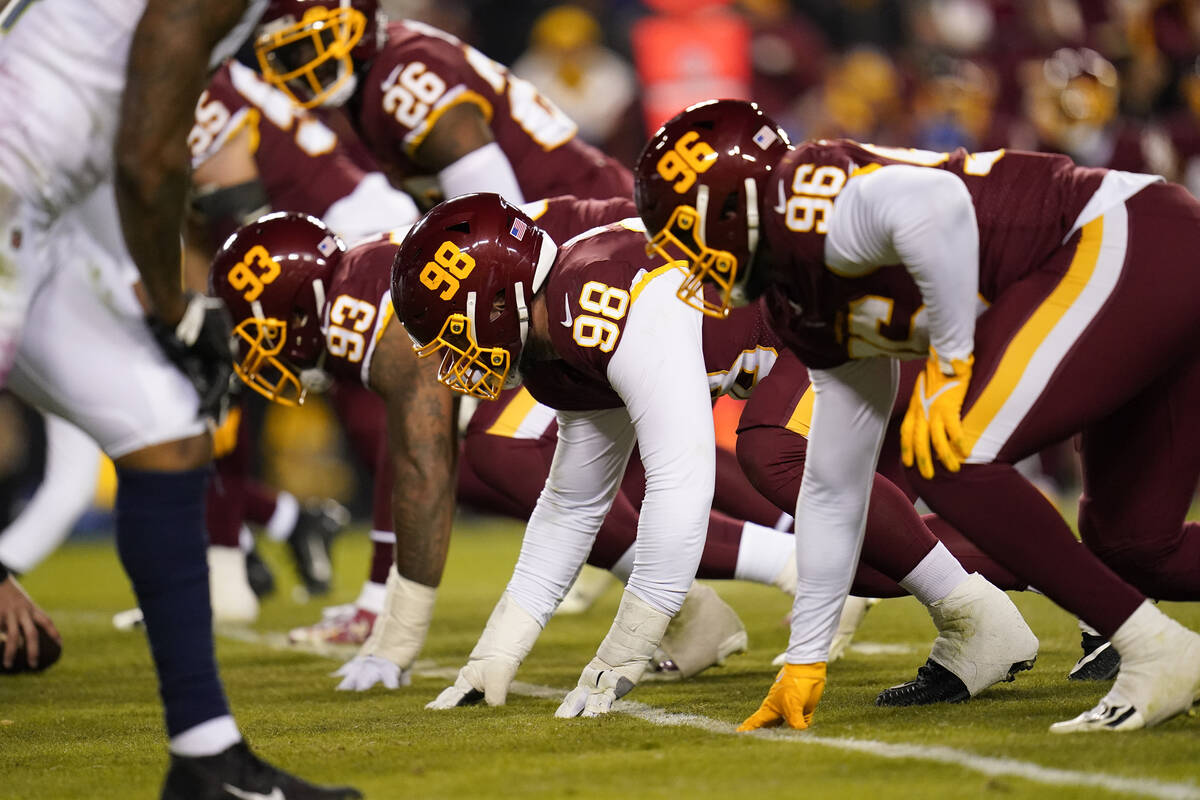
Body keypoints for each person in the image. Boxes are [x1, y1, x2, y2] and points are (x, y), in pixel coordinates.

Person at [632, 98, 1200, 733]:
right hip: (1139, 252)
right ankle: (1152, 638)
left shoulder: (803, 196)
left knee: (949, 451)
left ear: (729, 205)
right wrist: (804, 660)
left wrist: (951, 365)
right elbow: (831, 486)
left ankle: (1155, 649)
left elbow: (937, 208)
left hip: (1122, 234)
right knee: (1136, 547)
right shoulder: (798, 302)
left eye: (686, 233)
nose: (688, 260)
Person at [390, 193, 1037, 718]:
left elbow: (680, 480)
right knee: (861, 566)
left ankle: (1051, 591)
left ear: (496, 299)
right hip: (810, 345)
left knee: (773, 450)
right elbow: (571, 506)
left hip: (849, 309)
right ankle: (1015, 603)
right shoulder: (553, 350)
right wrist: (497, 651)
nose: (450, 358)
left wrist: (626, 649)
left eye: (449, 331)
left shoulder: (597, 301)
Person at [210, 198, 818, 689]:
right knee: (538, 469)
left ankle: (798, 561)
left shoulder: (363, 316)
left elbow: (421, 471)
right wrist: (461, 636)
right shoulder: (376, 288)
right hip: (567, 302)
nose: (253, 348)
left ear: (294, 304)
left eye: (254, 325)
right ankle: (717, 600)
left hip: (621, 291)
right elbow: (430, 475)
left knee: (511, 450)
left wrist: (396, 636)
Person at [0, 1, 360, 796]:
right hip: (8, 193)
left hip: (43, 206)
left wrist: (143, 293)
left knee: (164, 421)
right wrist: (172, 304)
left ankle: (205, 758)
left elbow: (105, 135)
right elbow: (147, 157)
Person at [251, 0, 632, 207]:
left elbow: (495, 211)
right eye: (291, 56)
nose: (304, 67)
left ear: (356, 25)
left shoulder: (404, 76)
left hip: (585, 214)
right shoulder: (378, 73)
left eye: (311, 47)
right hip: (560, 215)